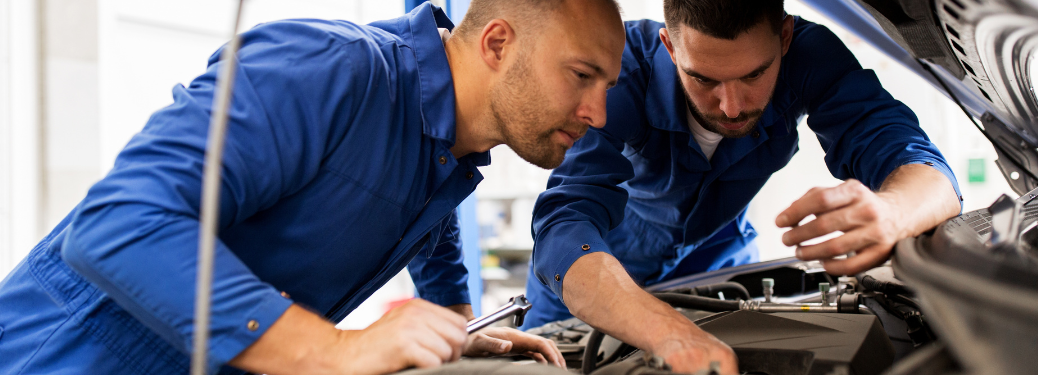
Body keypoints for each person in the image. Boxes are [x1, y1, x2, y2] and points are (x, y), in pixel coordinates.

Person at [0, 1, 625, 374]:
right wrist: (331, 351)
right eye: (581, 75)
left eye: (609, 85)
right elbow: (119, 222)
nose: (598, 112)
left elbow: (425, 226)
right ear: (497, 42)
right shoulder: (328, 69)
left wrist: (456, 328)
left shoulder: (454, 149)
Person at [522, 0, 963, 373]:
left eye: (754, 75)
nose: (731, 107)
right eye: (704, 79)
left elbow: (925, 170)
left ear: (785, 38)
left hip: (716, 261)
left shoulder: (810, 57)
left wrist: (892, 212)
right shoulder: (619, 75)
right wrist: (667, 331)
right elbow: (564, 226)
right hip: (593, 277)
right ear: (670, 47)